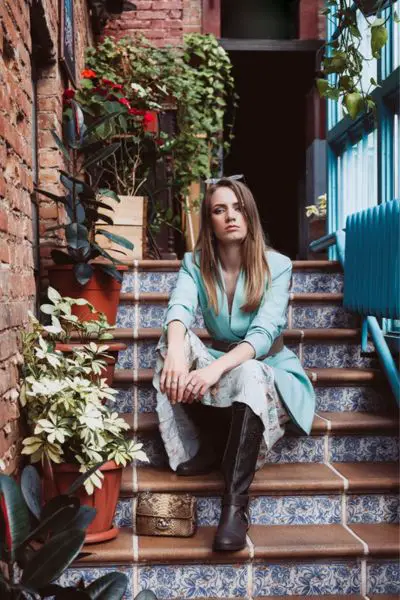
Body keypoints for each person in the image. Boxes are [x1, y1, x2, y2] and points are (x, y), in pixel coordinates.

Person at [152, 178, 315, 552]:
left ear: (249, 213)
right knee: (172, 340)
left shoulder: (277, 264)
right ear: (209, 220)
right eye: (219, 209)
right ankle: (209, 443)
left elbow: (263, 333)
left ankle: (235, 506)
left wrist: (212, 370)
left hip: (266, 366)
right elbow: (179, 307)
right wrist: (177, 348)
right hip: (221, 363)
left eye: (238, 207)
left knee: (249, 372)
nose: (230, 216)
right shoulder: (195, 263)